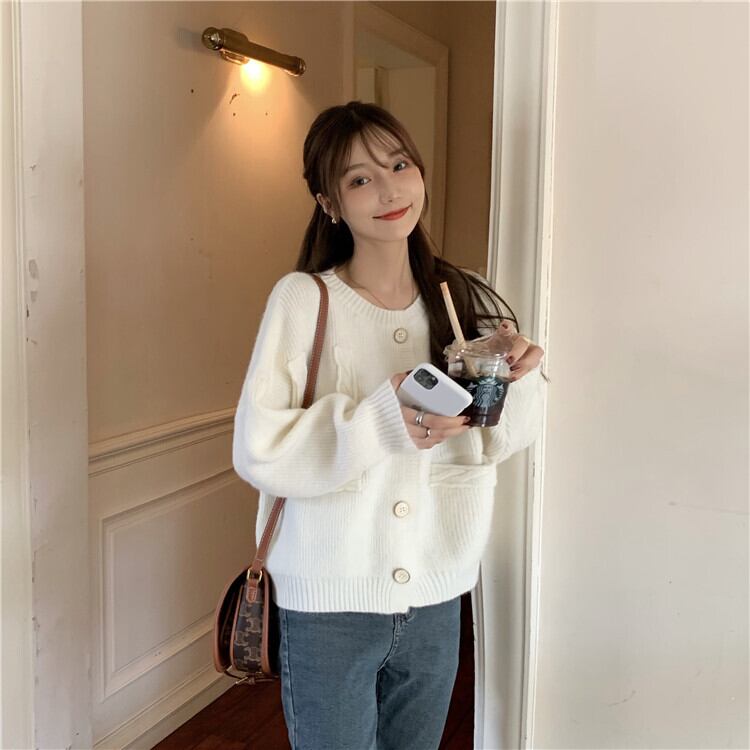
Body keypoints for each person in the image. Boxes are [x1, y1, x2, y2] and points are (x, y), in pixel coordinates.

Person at [232, 101, 546, 750]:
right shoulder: (303, 299)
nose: (389, 189)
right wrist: (382, 420)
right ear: (329, 202)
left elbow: (503, 441)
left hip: (436, 595)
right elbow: (259, 450)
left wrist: (516, 380)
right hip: (330, 605)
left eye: (399, 165)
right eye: (360, 178)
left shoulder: (468, 297)